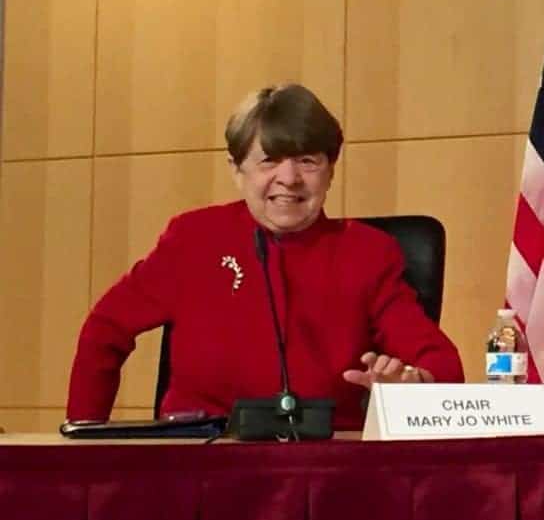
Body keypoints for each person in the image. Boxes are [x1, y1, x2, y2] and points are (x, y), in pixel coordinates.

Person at [66, 84, 464, 430]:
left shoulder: (368, 253)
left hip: (325, 468)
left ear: (330, 170)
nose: (289, 179)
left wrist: (414, 388)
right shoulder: (194, 239)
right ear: (237, 169)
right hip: (201, 462)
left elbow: (442, 364)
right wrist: (83, 442)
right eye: (269, 160)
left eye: (308, 161)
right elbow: (105, 329)